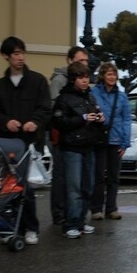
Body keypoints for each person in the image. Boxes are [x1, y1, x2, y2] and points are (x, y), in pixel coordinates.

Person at [0, 36, 51, 245]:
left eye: (22, 53)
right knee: (7, 189)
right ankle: (12, 228)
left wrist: (35, 122)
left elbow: (45, 108)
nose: (20, 57)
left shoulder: (38, 81)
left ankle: (31, 228)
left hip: (29, 143)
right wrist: (6, 122)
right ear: (6, 56)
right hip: (6, 144)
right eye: (15, 54)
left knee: (27, 189)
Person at [52, 62, 104, 239]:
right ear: (73, 79)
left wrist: (99, 119)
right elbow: (58, 122)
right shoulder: (64, 98)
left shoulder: (90, 97)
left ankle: (81, 222)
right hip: (71, 148)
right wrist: (82, 118)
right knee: (73, 188)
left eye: (86, 77)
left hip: (89, 147)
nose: (85, 81)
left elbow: (96, 122)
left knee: (87, 187)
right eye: (81, 78)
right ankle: (70, 224)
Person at [49, 46, 90, 225]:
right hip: (63, 139)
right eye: (81, 61)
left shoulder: (87, 92)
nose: (84, 65)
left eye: (86, 62)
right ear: (70, 61)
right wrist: (81, 118)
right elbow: (56, 112)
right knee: (63, 179)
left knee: (81, 183)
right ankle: (61, 215)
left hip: (84, 142)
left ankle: (76, 217)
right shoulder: (60, 81)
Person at [90, 62, 132, 221]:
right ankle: (96, 208)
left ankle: (111, 208)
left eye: (114, 74)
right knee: (99, 176)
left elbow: (127, 119)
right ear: (103, 75)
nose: (112, 77)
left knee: (114, 177)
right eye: (109, 74)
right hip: (99, 139)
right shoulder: (94, 93)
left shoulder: (121, 96)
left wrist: (125, 142)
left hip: (116, 139)